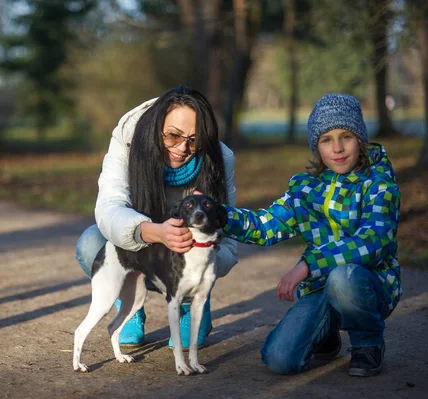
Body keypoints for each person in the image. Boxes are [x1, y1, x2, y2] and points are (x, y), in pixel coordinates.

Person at [220, 93, 401, 377]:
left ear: (360, 139)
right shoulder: (305, 189)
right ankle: (325, 336)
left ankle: (368, 344)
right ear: (316, 146)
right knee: (279, 359)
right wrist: (220, 216)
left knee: (344, 277)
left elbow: (373, 242)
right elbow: (266, 225)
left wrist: (308, 265)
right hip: (319, 290)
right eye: (326, 139)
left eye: (346, 137)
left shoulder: (379, 185)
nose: (338, 148)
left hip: (368, 287)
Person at [75, 86, 239, 348]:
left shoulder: (220, 158)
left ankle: (193, 304)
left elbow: (229, 240)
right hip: (143, 244)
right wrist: (152, 231)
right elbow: (109, 207)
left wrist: (203, 267)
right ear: (157, 127)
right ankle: (129, 303)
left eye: (194, 140)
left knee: (184, 344)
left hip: (187, 257)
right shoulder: (127, 139)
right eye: (173, 136)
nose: (183, 148)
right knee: (90, 243)